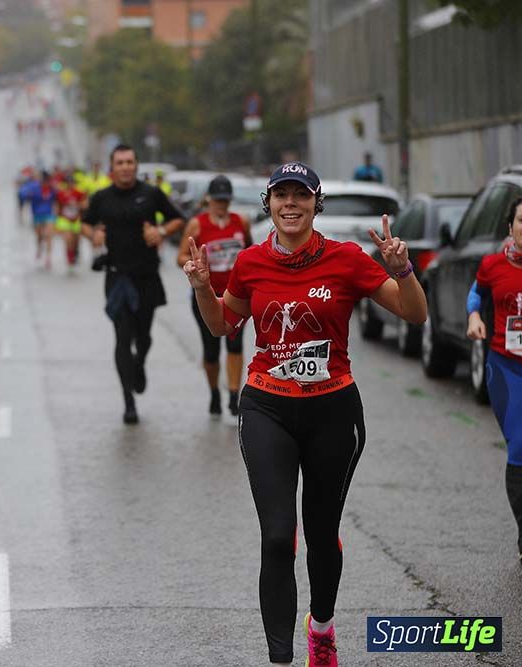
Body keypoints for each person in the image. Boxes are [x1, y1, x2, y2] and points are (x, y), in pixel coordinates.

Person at [183, 161, 427, 666]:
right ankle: (280, 657)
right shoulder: (251, 262)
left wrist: (402, 269)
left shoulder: (347, 259)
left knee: (320, 532)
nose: (290, 204)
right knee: (277, 536)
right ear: (268, 205)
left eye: (301, 195)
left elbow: (414, 313)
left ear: (317, 204)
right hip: (267, 405)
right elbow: (222, 325)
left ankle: (321, 626)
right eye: (281, 195)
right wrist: (204, 287)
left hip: (332, 410)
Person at [82, 144, 185, 425]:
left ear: (136, 166)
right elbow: (86, 224)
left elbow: (178, 218)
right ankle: (128, 401)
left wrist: (161, 231)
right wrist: (94, 236)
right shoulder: (101, 198)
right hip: (117, 277)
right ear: (112, 168)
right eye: (120, 162)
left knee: (144, 337)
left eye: (130, 162)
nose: (125, 167)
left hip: (146, 276)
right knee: (122, 337)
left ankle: (139, 364)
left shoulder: (150, 194)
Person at [467, 197, 522, 559]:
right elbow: (476, 293)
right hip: (506, 368)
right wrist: (474, 317)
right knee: (519, 446)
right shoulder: (492, 264)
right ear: (511, 227)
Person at [176, 174, 253, 417]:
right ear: (208, 199)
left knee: (235, 345)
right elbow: (180, 256)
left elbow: (250, 253)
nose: (222, 204)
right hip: (206, 297)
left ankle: (233, 395)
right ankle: (214, 393)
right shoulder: (197, 225)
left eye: (226, 200)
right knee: (211, 350)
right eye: (218, 200)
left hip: (236, 296)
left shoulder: (242, 222)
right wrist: (193, 265)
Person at [20, 171, 58, 268]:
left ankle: (48, 258)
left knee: (49, 236)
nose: (45, 183)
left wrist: (57, 212)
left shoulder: (52, 189)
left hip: (49, 215)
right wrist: (28, 194)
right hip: (37, 215)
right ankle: (39, 248)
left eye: (47, 180)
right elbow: (23, 195)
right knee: (39, 236)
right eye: (43, 181)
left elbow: (57, 199)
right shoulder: (34, 187)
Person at [54, 173, 86, 269]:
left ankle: (76, 252)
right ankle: (69, 258)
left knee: (75, 241)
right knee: (68, 240)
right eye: (68, 182)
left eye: (72, 182)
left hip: (76, 220)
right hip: (65, 220)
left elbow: (85, 204)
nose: (70, 184)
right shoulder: (60, 193)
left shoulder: (78, 192)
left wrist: (77, 205)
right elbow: (57, 206)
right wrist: (57, 214)